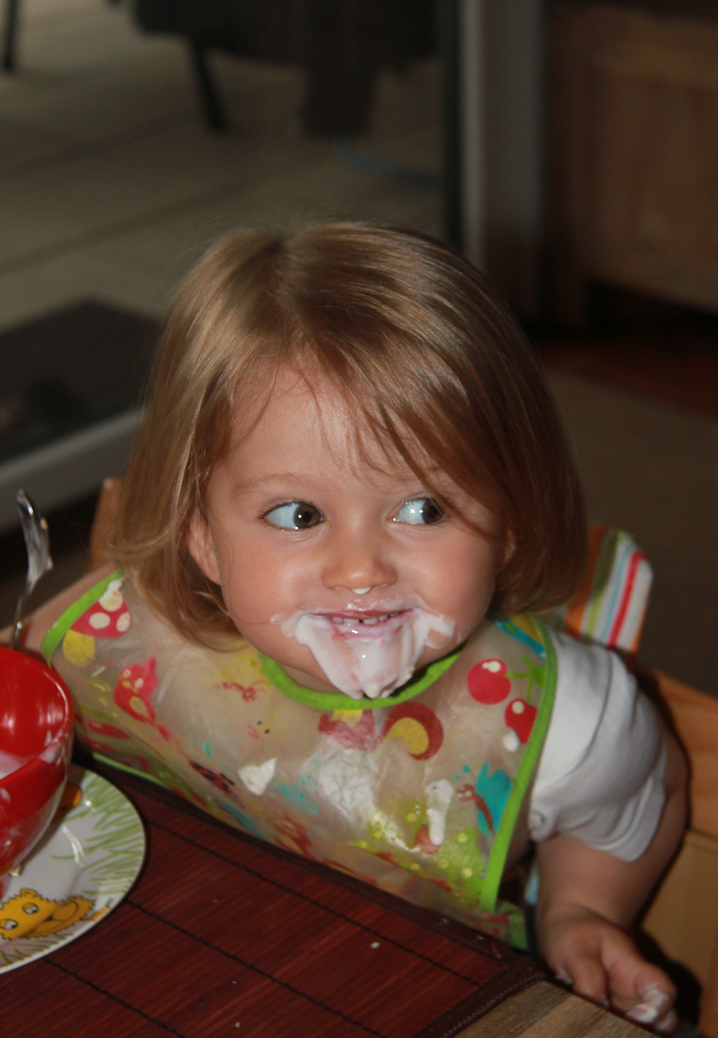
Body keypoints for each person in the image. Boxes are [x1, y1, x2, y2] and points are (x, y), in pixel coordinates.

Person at [24, 223, 685, 1031]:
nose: (359, 569)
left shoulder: (569, 722)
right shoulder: (115, 638)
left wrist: (582, 911)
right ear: (200, 530)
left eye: (422, 508)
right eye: (298, 514)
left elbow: (636, 798)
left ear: (508, 520)